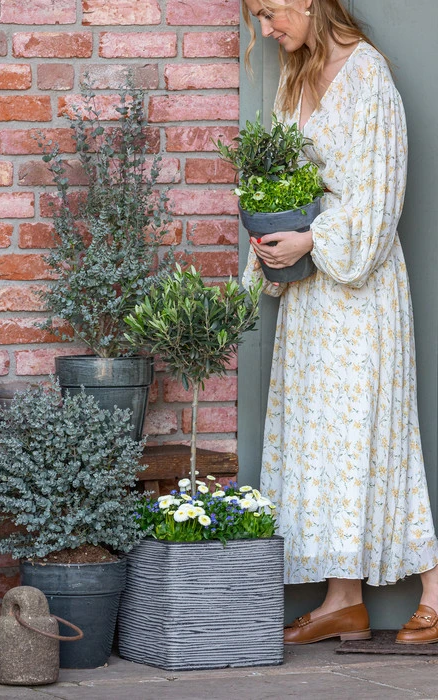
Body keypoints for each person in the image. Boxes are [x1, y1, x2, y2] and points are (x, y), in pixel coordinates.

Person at [241, 0, 438, 645]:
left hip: (362, 290)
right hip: (310, 294)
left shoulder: (370, 76)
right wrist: (269, 245)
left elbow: (380, 203)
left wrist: (312, 240)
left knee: (373, 435)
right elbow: (279, 183)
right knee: (320, 443)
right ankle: (343, 602)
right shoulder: (294, 77)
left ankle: (436, 590)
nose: (265, 29)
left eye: (269, 12)